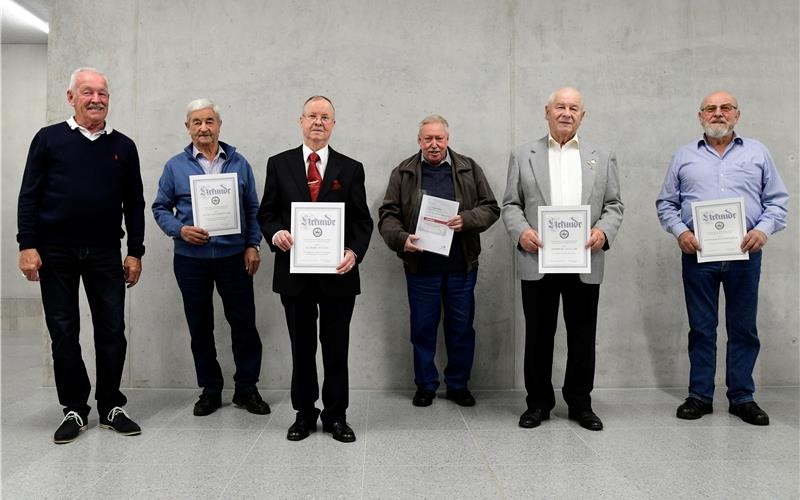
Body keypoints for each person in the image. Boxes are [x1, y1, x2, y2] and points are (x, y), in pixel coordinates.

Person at [17, 67, 144, 443]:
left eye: (102, 93)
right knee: (63, 332)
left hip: (106, 251)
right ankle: (74, 408)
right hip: (55, 251)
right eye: (87, 92)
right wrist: (27, 245)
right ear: (71, 97)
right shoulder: (48, 139)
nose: (96, 99)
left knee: (112, 331)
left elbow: (134, 204)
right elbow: (29, 195)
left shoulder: (124, 146)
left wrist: (135, 252)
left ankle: (110, 406)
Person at [656, 91, 788, 426]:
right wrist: (680, 233)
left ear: (737, 115)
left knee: (743, 328)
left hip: (745, 253)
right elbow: (666, 204)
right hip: (698, 254)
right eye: (711, 109)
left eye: (725, 108)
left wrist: (763, 231)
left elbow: (777, 201)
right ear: (700, 116)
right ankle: (699, 396)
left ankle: (742, 396)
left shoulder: (758, 153)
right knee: (701, 328)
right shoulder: (684, 156)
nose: (718, 113)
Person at [501, 87, 623, 431]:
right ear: (547, 112)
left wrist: (602, 232)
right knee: (538, 335)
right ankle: (538, 403)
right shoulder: (523, 153)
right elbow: (510, 204)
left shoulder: (603, 155)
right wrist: (522, 232)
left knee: (583, 336)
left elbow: (614, 205)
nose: (566, 113)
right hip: (538, 259)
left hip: (585, 259)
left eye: (573, 108)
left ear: (582, 115)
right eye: (560, 107)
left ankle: (580, 403)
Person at [257, 96, 373, 443]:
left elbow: (361, 220)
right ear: (301, 121)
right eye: (312, 116)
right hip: (295, 276)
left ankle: (337, 415)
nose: (318, 122)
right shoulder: (278, 164)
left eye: (325, 117)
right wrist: (276, 233)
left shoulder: (351, 168)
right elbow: (267, 213)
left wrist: (353, 251)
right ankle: (304, 414)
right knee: (302, 349)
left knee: (336, 349)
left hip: (338, 275)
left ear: (333, 125)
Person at [152, 98, 269, 417]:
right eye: (196, 122)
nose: (203, 128)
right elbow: (160, 207)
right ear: (188, 128)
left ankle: (247, 389)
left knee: (244, 324)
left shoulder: (239, 162)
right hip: (191, 260)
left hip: (234, 257)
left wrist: (252, 244)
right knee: (199, 326)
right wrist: (180, 229)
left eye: (209, 121)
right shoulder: (175, 166)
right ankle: (210, 390)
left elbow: (253, 209)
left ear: (219, 125)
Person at [378, 115, 499, 407]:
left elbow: (491, 208)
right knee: (422, 329)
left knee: (461, 329)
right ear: (419, 141)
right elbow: (387, 215)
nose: (434, 145)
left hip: (461, 266)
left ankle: (458, 385)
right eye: (428, 139)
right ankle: (426, 385)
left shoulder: (468, 168)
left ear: (447, 139)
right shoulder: (403, 172)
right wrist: (402, 238)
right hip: (421, 268)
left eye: (439, 139)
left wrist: (467, 219)